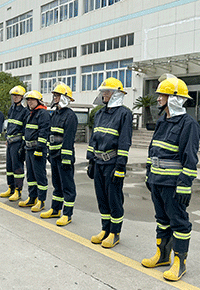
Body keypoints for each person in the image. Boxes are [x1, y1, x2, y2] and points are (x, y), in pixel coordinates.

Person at [141, 75, 200, 281]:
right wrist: (149, 173)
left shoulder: (188, 124)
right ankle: (163, 256)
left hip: (174, 185)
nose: (158, 98)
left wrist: (185, 186)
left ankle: (179, 262)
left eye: (162, 95)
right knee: (162, 221)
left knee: (179, 223)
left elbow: (190, 159)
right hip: (157, 182)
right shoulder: (162, 120)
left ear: (174, 98)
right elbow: (154, 149)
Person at [87, 77, 132, 248]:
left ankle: (115, 233)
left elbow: (124, 141)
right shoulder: (99, 113)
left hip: (113, 163)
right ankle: (105, 229)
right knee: (102, 199)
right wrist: (90, 160)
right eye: (103, 91)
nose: (103, 94)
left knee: (114, 199)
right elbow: (93, 138)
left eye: (106, 91)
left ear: (115, 94)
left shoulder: (124, 114)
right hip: (99, 163)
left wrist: (120, 167)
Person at [40, 83, 78, 226]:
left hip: (64, 157)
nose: (55, 98)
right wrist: (49, 152)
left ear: (64, 97)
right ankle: (55, 210)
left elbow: (68, 140)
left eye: (57, 95)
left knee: (67, 186)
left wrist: (66, 158)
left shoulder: (70, 116)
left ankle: (67, 214)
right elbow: (51, 135)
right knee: (56, 184)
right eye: (54, 95)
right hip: (54, 155)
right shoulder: (55, 114)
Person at [18, 90, 50, 212]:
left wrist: (40, 148)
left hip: (38, 150)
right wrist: (23, 147)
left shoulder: (43, 114)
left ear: (38, 101)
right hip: (29, 149)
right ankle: (32, 198)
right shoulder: (30, 114)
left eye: (32, 100)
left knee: (40, 176)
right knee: (30, 175)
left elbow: (44, 132)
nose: (29, 102)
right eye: (28, 100)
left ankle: (41, 201)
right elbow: (26, 131)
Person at [0, 86, 29, 201]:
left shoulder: (24, 111)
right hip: (10, 142)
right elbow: (9, 125)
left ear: (22, 97)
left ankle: (18, 190)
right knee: (9, 167)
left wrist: (23, 145)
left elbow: (25, 129)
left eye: (17, 96)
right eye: (13, 96)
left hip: (18, 143)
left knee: (17, 167)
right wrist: (7, 138)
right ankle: (10, 188)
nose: (15, 97)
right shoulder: (11, 109)